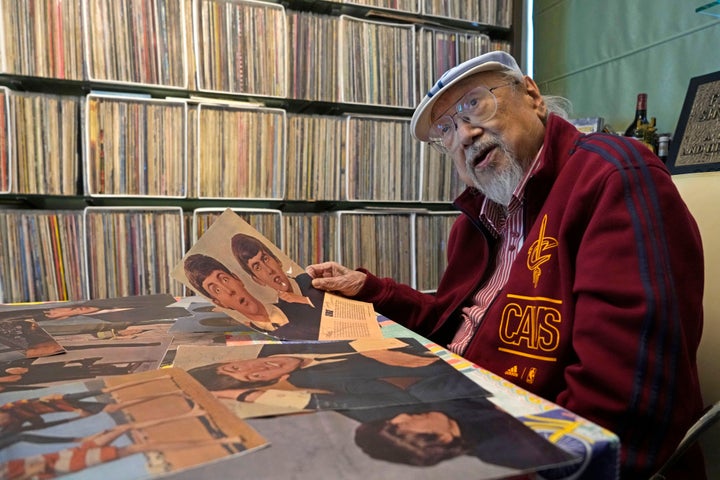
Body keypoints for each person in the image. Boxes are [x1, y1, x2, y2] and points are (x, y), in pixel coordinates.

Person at [305, 51, 705, 479]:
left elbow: (625, 404)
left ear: (532, 95)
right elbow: (451, 322)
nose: (464, 134)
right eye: (446, 129)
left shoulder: (612, 177)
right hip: (456, 411)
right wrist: (369, 290)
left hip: (534, 452)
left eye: (474, 104)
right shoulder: (476, 221)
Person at [186, 340, 487, 411]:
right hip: (463, 368)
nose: (256, 370)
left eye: (235, 367)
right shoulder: (317, 381)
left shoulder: (284, 338)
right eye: (250, 379)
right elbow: (394, 401)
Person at [348, 397, 577, 472]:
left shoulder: (446, 408)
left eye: (390, 421)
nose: (401, 418)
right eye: (398, 428)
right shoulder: (510, 449)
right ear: (439, 440)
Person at [185, 253, 321, 340]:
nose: (229, 291)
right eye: (217, 290)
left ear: (237, 279)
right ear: (220, 303)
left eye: (225, 280)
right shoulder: (244, 335)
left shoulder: (300, 301)